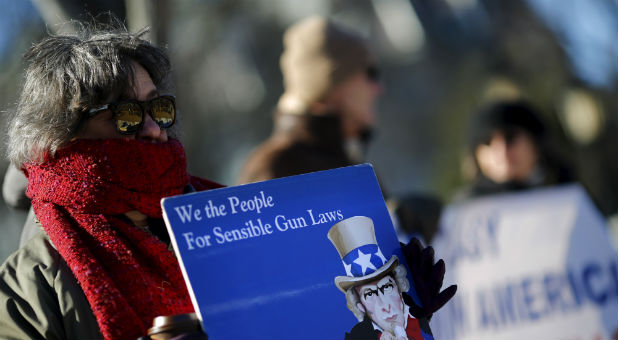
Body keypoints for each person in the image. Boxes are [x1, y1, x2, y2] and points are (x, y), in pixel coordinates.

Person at [0, 24, 221, 340]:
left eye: (158, 108)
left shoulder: (226, 216)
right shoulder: (29, 284)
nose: (153, 129)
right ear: (62, 136)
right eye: (126, 115)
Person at [237, 16, 382, 183]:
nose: (378, 88)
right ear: (334, 84)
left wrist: (395, 209)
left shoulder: (347, 159)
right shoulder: (276, 168)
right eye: (371, 74)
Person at [328, 216, 450, 340]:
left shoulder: (420, 322)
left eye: (387, 287)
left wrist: (422, 315)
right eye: (369, 294)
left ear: (399, 287)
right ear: (360, 306)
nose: (385, 306)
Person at [456, 99, 575, 199]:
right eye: (487, 142)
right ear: (476, 156)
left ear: (535, 144)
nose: (502, 151)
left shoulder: (570, 192)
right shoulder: (465, 212)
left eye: (510, 137)